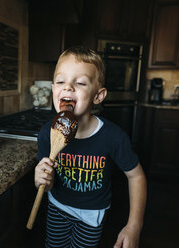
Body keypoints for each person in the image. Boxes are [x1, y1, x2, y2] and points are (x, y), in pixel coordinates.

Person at [35, 46, 147, 248]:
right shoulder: (47, 133)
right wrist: (41, 179)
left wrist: (134, 226)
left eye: (79, 83)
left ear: (98, 96)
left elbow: (136, 176)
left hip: (91, 216)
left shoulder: (113, 137)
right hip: (57, 207)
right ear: (53, 90)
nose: (67, 87)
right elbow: (49, 183)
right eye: (61, 81)